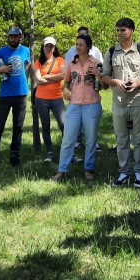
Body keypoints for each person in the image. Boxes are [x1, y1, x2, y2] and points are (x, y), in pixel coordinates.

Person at [101, 17, 140, 188]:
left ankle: (139, 173)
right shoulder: (111, 51)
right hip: (118, 101)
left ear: (131, 31)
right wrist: (116, 82)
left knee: (139, 139)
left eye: (122, 30)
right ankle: (124, 172)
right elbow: (104, 76)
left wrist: (137, 84)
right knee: (121, 139)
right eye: (117, 30)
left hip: (138, 100)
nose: (119, 33)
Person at [51, 33, 103, 182]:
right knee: (68, 139)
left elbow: (104, 86)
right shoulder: (71, 63)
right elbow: (66, 82)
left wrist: (98, 75)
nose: (78, 47)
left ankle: (88, 169)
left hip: (92, 105)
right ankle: (62, 170)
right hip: (74, 105)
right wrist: (65, 90)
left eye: (81, 45)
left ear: (88, 47)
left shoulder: (97, 63)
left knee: (91, 140)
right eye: (76, 44)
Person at [0, 26, 31, 170]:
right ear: (8, 37)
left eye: (16, 36)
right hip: (5, 95)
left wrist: (26, 80)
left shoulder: (25, 50)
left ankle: (15, 156)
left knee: (18, 127)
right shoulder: (0, 52)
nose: (13, 39)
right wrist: (1, 70)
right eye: (11, 36)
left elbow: (28, 65)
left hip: (21, 94)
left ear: (20, 37)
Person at [33, 36, 66, 163]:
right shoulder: (38, 62)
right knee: (45, 125)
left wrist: (46, 76)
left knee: (64, 125)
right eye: (47, 45)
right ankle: (49, 152)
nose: (49, 48)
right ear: (43, 46)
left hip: (57, 98)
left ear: (54, 47)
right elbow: (38, 80)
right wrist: (53, 77)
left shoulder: (59, 60)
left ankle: (68, 152)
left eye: (51, 46)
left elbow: (62, 75)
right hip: (41, 99)